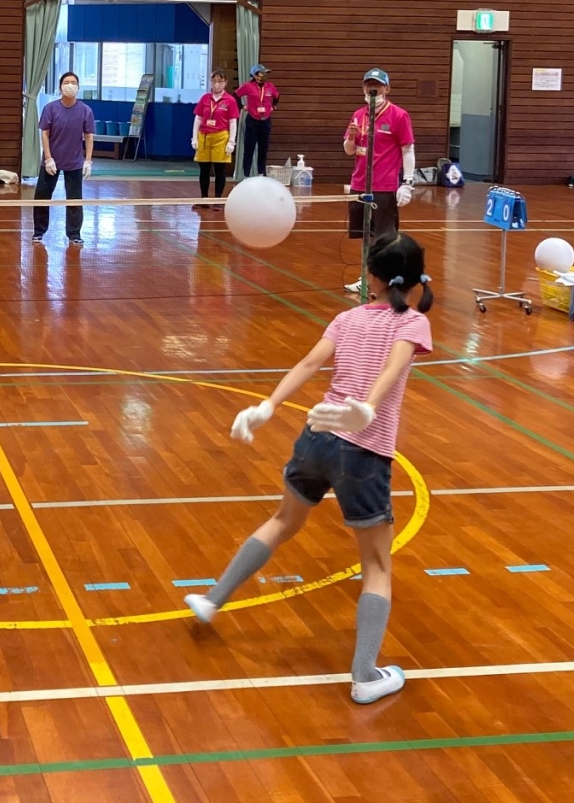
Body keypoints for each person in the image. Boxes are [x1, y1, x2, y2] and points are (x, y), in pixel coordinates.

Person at [183, 231, 434, 706]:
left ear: (371, 275)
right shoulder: (413, 323)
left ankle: (212, 600)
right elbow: (393, 370)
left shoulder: (347, 317)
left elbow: (307, 363)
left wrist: (268, 405)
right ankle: (365, 676)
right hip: (363, 450)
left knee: (283, 521)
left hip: (315, 438)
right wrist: (369, 409)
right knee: (378, 564)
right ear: (417, 277)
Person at [343, 68, 415, 292]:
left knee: (385, 238)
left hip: (384, 187)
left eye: (377, 85)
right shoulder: (358, 115)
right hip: (359, 184)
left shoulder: (399, 115)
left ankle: (389, 280)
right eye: (368, 84)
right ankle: (366, 278)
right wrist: (352, 136)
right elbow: (348, 150)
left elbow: (408, 150)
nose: (372, 89)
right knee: (365, 235)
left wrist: (407, 182)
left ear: (387, 88)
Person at [34, 72, 95, 247]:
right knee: (41, 197)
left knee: (75, 198)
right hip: (51, 161)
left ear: (78, 87)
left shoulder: (85, 110)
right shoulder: (51, 109)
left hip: (74, 162)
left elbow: (89, 136)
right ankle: (38, 232)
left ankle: (74, 234)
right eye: (67, 82)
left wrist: (88, 160)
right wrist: (48, 158)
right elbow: (44, 134)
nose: (70, 85)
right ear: (60, 87)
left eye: (74, 82)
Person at [192, 69, 240, 210]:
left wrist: (231, 141)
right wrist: (194, 138)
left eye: (220, 81)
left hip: (221, 136)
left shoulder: (230, 100)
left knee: (220, 170)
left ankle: (218, 199)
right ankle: (204, 199)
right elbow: (198, 118)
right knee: (204, 170)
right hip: (205, 136)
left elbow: (232, 122)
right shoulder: (205, 99)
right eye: (214, 81)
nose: (217, 84)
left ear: (225, 83)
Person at [235, 65, 278, 180]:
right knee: (249, 149)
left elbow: (277, 97)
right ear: (254, 75)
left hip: (266, 121)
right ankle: (246, 176)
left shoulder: (270, 86)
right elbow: (235, 95)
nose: (263, 76)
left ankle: (261, 175)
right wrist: (242, 106)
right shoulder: (248, 86)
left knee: (263, 149)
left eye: (265, 73)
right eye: (261, 74)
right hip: (252, 121)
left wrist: (274, 106)